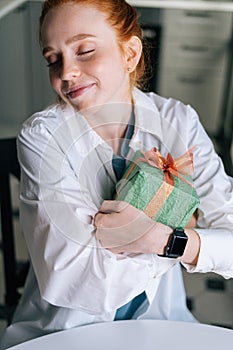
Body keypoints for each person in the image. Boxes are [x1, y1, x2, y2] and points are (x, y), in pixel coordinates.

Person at [1, 0, 233, 348]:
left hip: (161, 326)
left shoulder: (179, 123)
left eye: (85, 50)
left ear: (130, 53)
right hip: (62, 335)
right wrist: (186, 238)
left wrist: (162, 240)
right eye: (53, 59)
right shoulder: (44, 137)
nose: (65, 73)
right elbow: (74, 281)